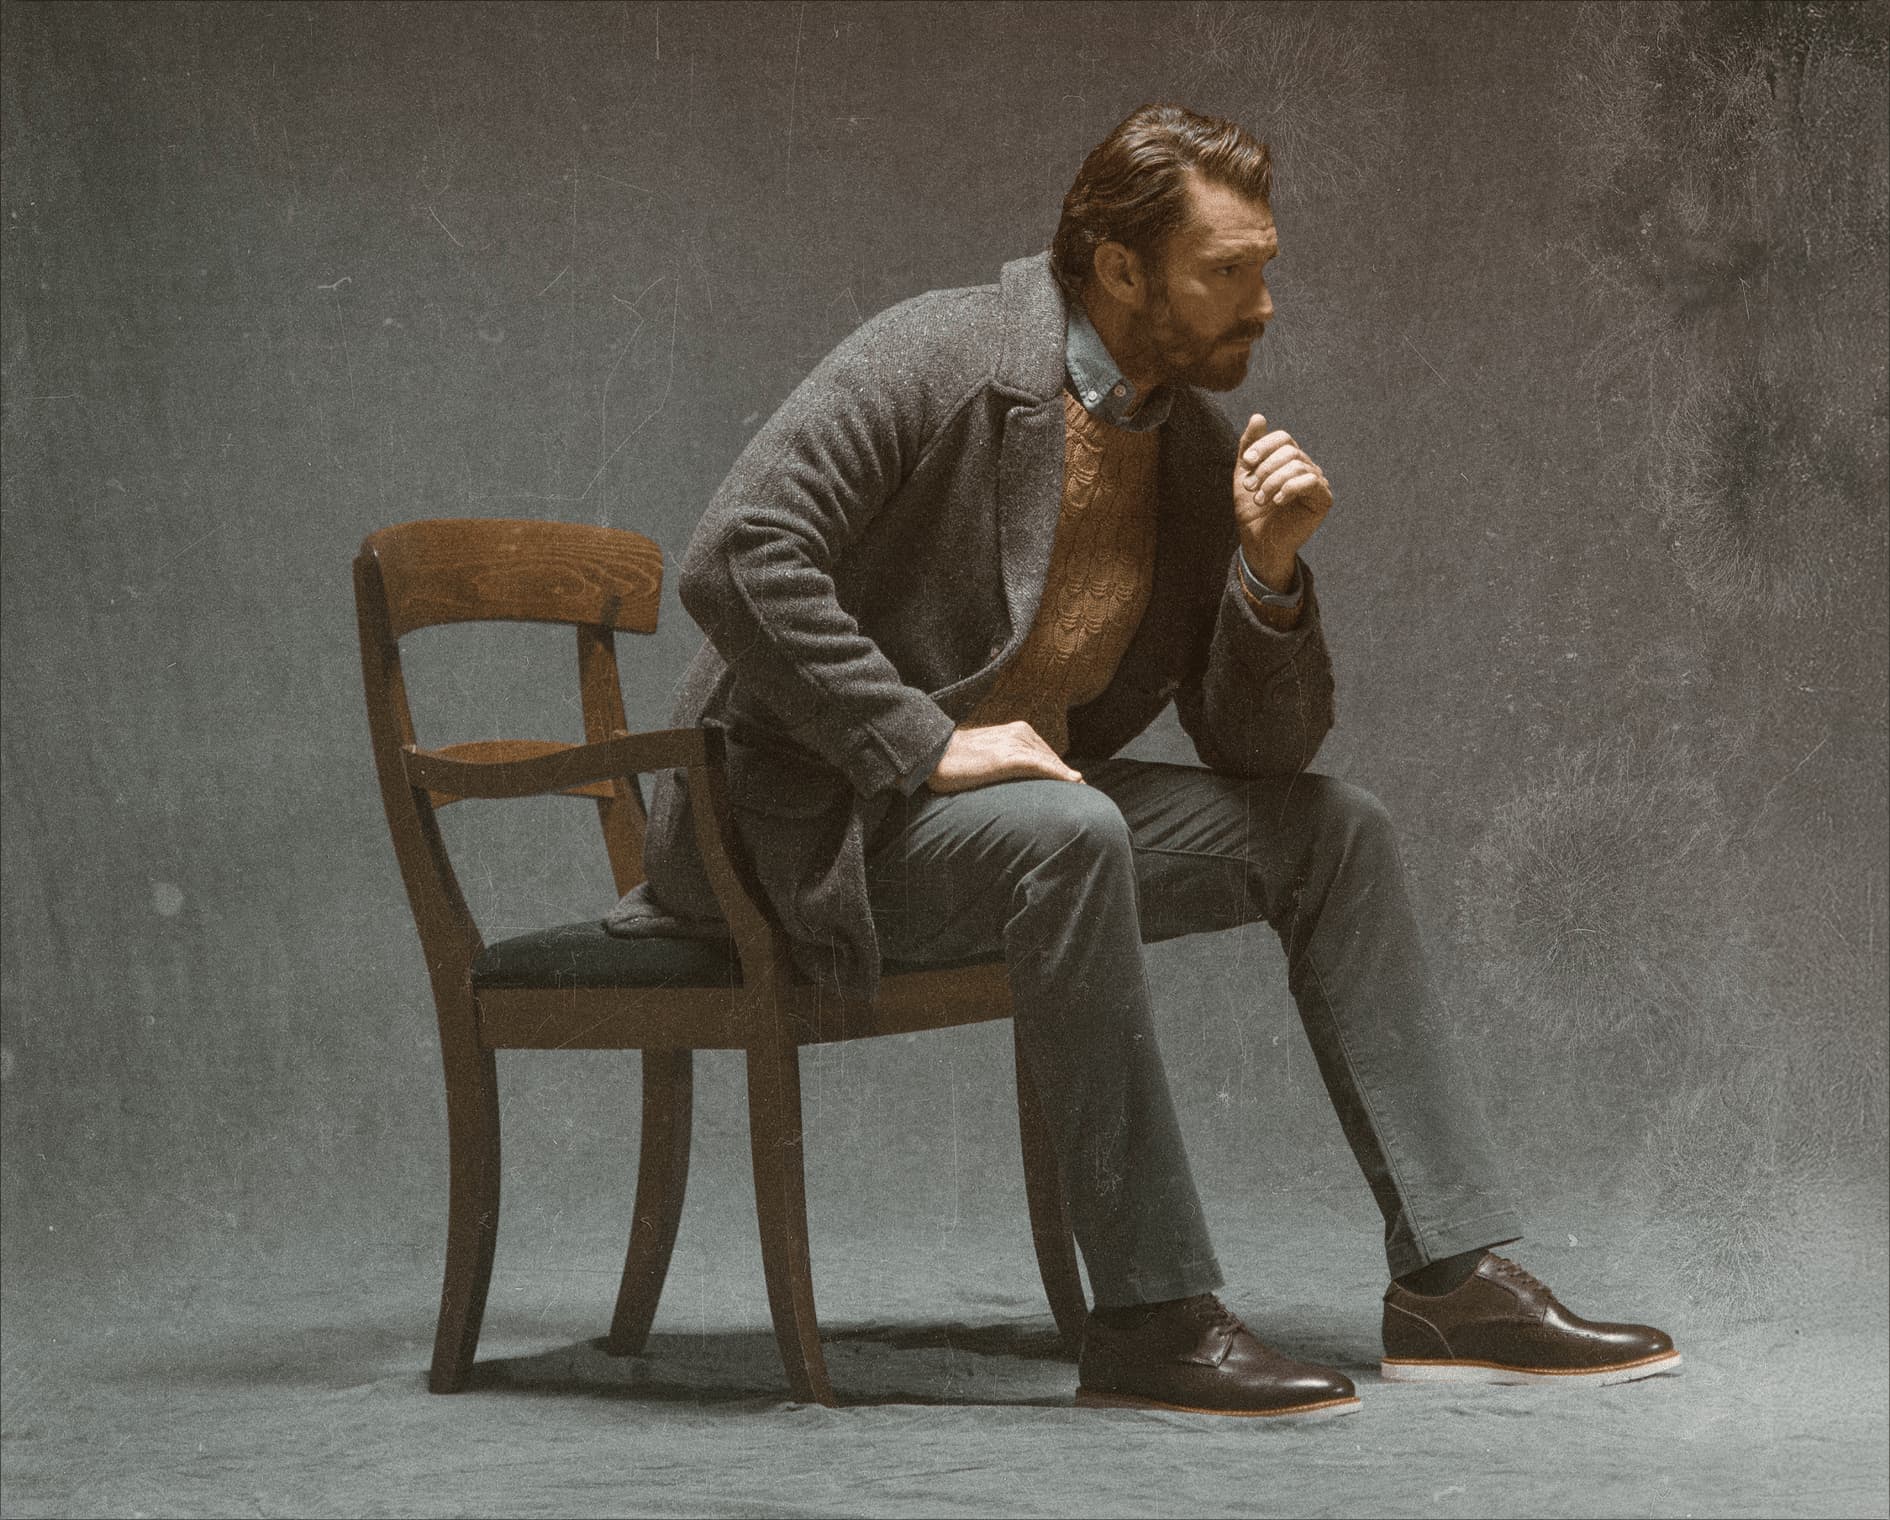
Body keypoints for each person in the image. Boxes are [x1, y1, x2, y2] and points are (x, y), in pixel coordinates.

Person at [607, 103, 1678, 1418]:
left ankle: (1447, 1282)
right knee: (1072, 838)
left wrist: (1270, 576)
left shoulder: (1187, 448)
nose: (1264, 304)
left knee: (1330, 832)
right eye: (1226, 271)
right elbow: (738, 554)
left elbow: (1254, 751)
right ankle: (1151, 1318)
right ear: (1117, 269)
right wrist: (921, 739)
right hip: (785, 829)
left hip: (1000, 824)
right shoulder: (939, 357)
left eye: (1264, 266)